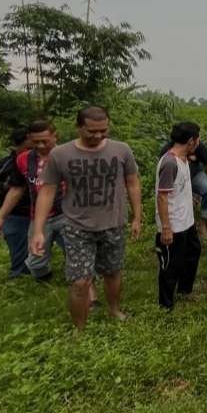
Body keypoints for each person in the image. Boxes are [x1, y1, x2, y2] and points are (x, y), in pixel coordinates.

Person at [30, 106, 141, 330]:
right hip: (77, 226)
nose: (98, 136)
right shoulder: (60, 154)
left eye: (103, 130)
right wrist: (39, 230)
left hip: (113, 223)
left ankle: (114, 310)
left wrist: (137, 217)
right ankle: (79, 329)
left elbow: (132, 182)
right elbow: (47, 191)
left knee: (112, 272)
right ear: (78, 127)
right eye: (92, 131)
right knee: (80, 282)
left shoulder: (121, 150)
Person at [0, 119, 67, 282]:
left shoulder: (68, 155)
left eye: (45, 141)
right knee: (35, 262)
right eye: (35, 142)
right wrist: (1, 217)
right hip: (39, 217)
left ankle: (83, 284)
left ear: (55, 136)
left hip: (67, 214)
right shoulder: (23, 159)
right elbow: (17, 189)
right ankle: (44, 280)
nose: (40, 146)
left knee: (77, 254)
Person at [155, 122, 204, 310]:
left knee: (193, 252)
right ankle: (165, 306)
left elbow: (175, 189)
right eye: (198, 138)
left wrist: (188, 198)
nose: (199, 142)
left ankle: (184, 290)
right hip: (173, 224)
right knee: (170, 265)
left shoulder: (184, 160)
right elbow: (162, 196)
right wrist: (166, 228)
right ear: (191, 141)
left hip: (187, 221)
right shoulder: (169, 162)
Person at [0, 128, 33, 278]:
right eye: (29, 147)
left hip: (44, 212)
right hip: (16, 214)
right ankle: (19, 279)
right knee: (19, 255)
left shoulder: (45, 160)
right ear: (17, 146)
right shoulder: (5, 165)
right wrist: (6, 187)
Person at [159, 136, 207, 239]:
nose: (197, 142)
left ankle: (203, 222)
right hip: (178, 181)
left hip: (195, 175)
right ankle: (177, 226)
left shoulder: (199, 146)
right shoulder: (167, 151)